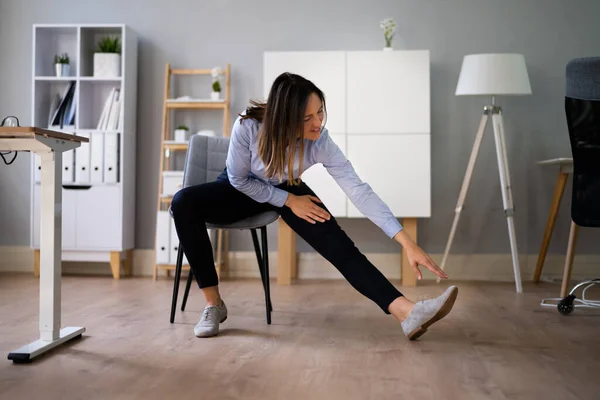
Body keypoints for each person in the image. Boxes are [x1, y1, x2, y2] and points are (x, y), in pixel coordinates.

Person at [171, 72, 458, 340]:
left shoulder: (320, 140)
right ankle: (214, 304)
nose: (317, 123)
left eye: (319, 111)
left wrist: (406, 241)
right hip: (240, 187)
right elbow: (237, 179)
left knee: (339, 246)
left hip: (288, 186)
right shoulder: (248, 126)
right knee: (183, 202)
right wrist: (288, 201)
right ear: (283, 119)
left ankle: (405, 312)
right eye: (306, 118)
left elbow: (358, 190)